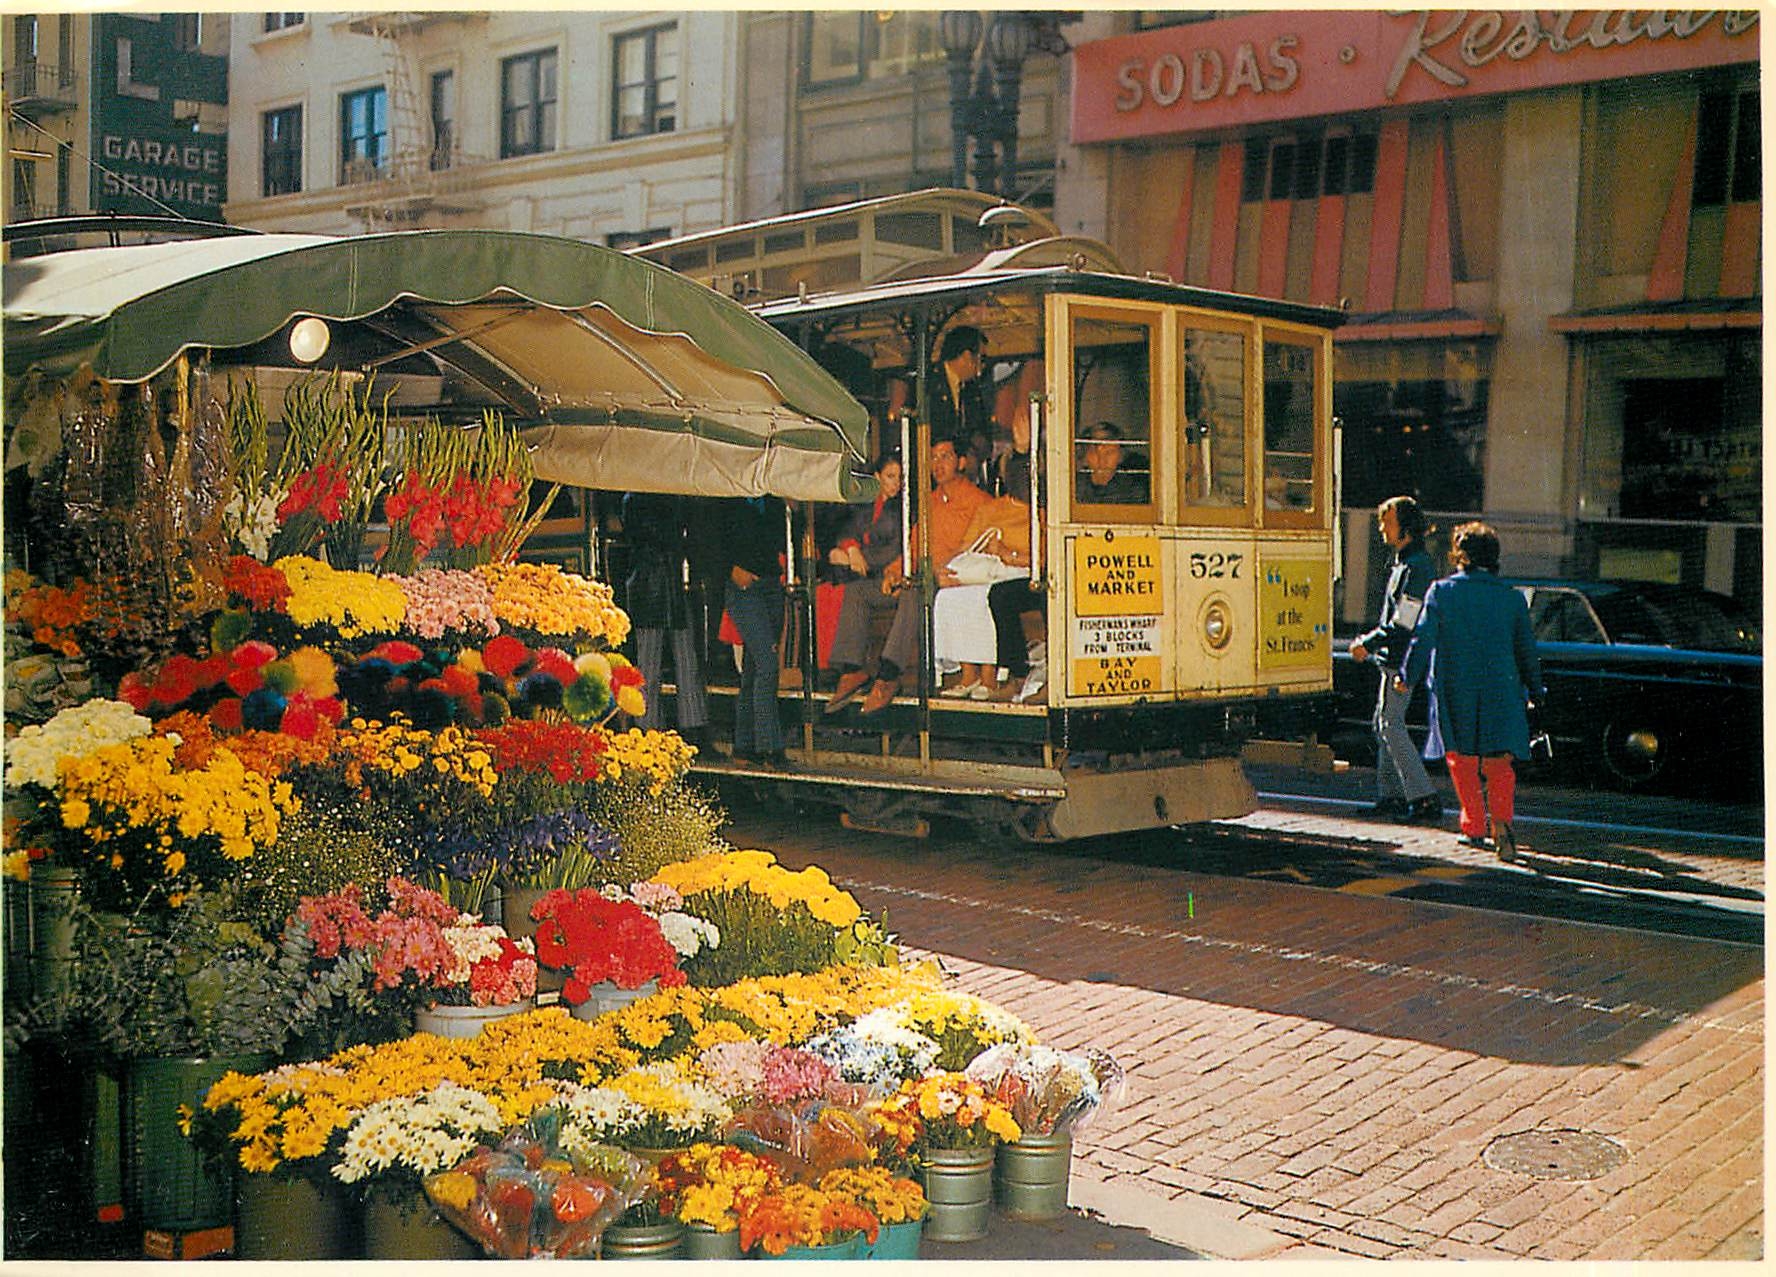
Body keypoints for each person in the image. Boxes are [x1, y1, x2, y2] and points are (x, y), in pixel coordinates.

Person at [1397, 522, 1545, 862]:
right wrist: (1537, 690)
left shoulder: (1441, 592)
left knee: (1460, 758)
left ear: (1459, 555)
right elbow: (1526, 650)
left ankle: (1474, 822)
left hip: (1456, 688)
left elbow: (1422, 639)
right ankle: (1502, 822)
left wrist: (1408, 676)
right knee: (1499, 762)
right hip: (1502, 689)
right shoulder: (1511, 598)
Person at [842, 435, 987, 716]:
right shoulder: (930, 502)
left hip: (952, 579)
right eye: (933, 458)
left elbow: (970, 548)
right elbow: (914, 545)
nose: (938, 463)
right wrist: (894, 572)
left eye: (945, 456)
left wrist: (922, 571)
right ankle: (851, 669)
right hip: (922, 575)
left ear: (961, 462)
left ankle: (889, 673)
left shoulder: (978, 501)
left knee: (913, 589)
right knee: (858, 591)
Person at [1349, 495, 1439, 824]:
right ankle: (1393, 797)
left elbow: (1404, 621)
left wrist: (1368, 643)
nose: (1381, 528)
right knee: (1384, 724)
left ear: (1406, 527)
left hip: (1401, 660)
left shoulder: (1415, 567)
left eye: (1387, 521)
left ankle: (1422, 797)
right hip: (1396, 658)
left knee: (1390, 725)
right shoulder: (1408, 562)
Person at [932, 469, 1032, 698]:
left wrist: (1009, 554)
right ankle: (968, 674)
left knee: (985, 597)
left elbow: (1045, 557)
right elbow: (967, 547)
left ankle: (989, 676)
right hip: (986, 569)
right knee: (950, 596)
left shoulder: (1041, 512)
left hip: (1017, 570)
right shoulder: (990, 509)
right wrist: (944, 570)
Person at [620, 491, 709, 750]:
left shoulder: (642, 498)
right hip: (653, 584)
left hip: (662, 583)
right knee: (653, 662)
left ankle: (686, 726)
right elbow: (662, 537)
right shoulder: (637, 499)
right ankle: (651, 728)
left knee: (682, 658)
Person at [822, 453, 906, 711]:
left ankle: (876, 675)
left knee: (847, 581)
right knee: (845, 585)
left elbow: (894, 550)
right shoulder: (869, 504)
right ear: (878, 477)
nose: (896, 483)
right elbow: (848, 530)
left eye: (900, 478)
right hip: (866, 572)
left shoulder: (901, 508)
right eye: (891, 477)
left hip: (889, 574)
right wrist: (850, 548)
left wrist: (856, 557)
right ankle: (850, 669)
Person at [721, 495, 790, 768]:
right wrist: (730, 570)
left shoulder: (772, 500)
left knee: (753, 668)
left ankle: (744, 745)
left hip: (770, 584)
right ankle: (769, 748)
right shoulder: (728, 498)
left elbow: (780, 539)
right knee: (767, 664)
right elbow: (708, 537)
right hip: (744, 589)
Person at [927, 326, 996, 488]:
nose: (982, 366)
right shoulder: (929, 385)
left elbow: (980, 429)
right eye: (981, 358)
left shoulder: (971, 391)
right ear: (966, 356)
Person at [1076, 421, 1147, 505]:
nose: (1102, 460)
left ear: (1120, 456)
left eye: (1109, 453)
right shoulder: (1073, 486)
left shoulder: (1133, 491)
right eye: (1094, 452)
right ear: (1085, 455)